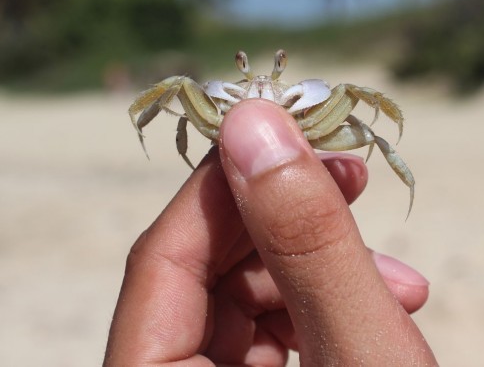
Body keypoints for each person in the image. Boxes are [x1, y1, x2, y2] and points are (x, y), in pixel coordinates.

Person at [104, 99, 438, 366]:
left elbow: (353, 107)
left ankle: (408, 181)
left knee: (367, 130)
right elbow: (180, 98)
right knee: (178, 87)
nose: (262, 92)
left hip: (303, 128)